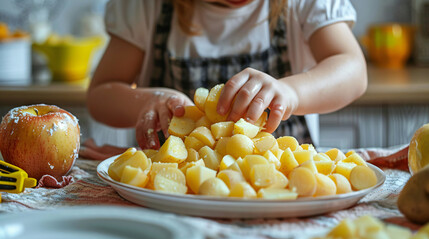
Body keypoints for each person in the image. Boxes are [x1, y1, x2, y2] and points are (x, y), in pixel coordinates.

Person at [87, 0, 367, 151]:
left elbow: (352, 68)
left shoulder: (302, 4)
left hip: (283, 195)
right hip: (172, 201)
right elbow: (100, 93)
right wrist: (147, 101)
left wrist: (291, 93)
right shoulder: (147, 7)